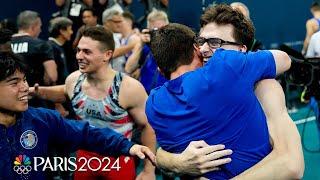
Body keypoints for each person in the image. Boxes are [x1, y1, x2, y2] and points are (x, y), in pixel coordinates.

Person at [146, 5, 302, 179]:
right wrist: (176, 162)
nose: (203, 49)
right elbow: (163, 152)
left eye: (215, 43)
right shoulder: (189, 91)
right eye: (200, 41)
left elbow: (290, 164)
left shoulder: (265, 88)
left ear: (242, 51)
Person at [0, 51, 155, 180]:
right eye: (14, 83)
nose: (25, 87)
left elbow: (86, 133)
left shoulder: (42, 120)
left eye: (25, 80)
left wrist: (128, 146)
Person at [29, 26, 156, 180]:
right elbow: (64, 93)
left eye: (87, 52)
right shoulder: (74, 80)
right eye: (78, 50)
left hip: (118, 158)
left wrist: (149, 170)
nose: (79, 56)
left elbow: (148, 126)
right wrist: (39, 92)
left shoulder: (129, 88)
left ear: (107, 55)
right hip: (85, 158)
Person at [11, 10, 58, 108]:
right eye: (40, 27)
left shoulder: (4, 45)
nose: (40, 30)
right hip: (33, 99)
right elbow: (53, 76)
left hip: (8, 100)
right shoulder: (41, 45)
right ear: (33, 27)